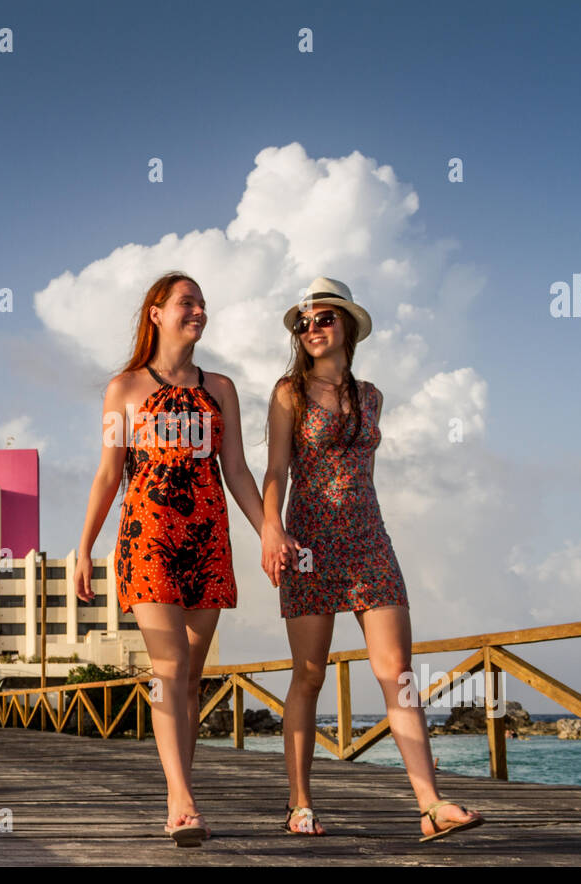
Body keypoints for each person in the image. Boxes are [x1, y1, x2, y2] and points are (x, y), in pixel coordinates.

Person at [259, 277, 485, 842]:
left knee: (398, 674)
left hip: (368, 540)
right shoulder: (288, 393)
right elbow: (276, 471)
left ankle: (430, 805)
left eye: (324, 319)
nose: (312, 329)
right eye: (303, 323)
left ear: (348, 327)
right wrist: (272, 529)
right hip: (308, 542)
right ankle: (300, 803)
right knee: (308, 675)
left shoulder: (373, 396)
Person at [74, 272, 271, 847]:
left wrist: (268, 534)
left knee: (189, 679)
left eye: (204, 303)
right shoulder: (125, 389)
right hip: (149, 536)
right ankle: (182, 801)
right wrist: (84, 548)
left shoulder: (222, 389)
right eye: (187, 302)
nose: (199, 311)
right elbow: (110, 473)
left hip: (208, 539)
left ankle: (180, 793)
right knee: (169, 667)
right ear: (155, 313)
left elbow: (235, 471)